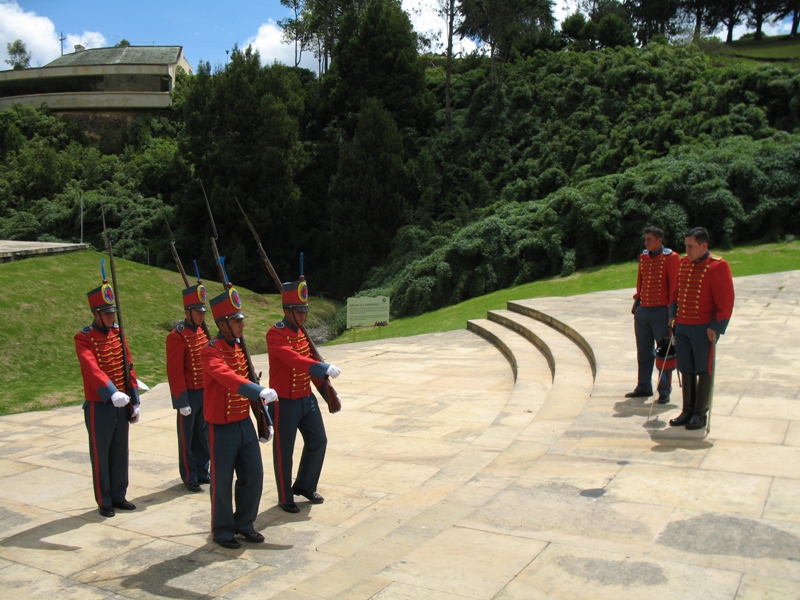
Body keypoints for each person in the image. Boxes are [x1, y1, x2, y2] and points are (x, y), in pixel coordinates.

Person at [201, 286, 278, 549]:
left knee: (254, 474)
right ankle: (222, 530)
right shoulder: (210, 350)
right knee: (222, 481)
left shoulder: (238, 347)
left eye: (241, 320)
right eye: (236, 321)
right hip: (221, 425)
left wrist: (263, 416)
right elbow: (227, 377)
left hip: (243, 421)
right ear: (222, 324)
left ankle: (245, 523)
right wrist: (258, 391)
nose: (241, 326)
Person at [267, 276, 341, 514]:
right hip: (284, 402)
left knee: (318, 441)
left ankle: (305, 485)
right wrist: (322, 367)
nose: (303, 316)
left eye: (304, 311)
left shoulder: (302, 333)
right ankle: (284, 496)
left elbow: (309, 362)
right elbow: (294, 359)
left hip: (305, 398)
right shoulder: (275, 334)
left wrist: (327, 392)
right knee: (284, 451)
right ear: (287, 311)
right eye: (298, 311)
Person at [74, 266, 140, 518]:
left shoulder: (117, 333)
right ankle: (104, 500)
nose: (112, 318)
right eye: (107, 313)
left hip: (121, 403)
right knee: (101, 453)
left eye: (113, 313)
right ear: (96, 314)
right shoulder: (83, 338)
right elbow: (91, 368)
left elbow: (128, 367)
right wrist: (111, 392)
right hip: (100, 405)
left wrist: (135, 400)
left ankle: (119, 495)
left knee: (120, 451)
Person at [669, 227, 735, 431]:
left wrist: (717, 326)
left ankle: (700, 412)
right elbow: (675, 294)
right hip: (683, 326)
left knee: (703, 369)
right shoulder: (683, 264)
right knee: (686, 368)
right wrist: (673, 316)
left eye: (691, 246)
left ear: (703, 245)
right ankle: (687, 409)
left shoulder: (717, 266)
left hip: (703, 329)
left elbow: (726, 301)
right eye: (686, 245)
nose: (686, 250)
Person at [626, 226, 680, 403]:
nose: (646, 242)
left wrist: (673, 313)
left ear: (659, 240)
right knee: (643, 352)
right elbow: (640, 281)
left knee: (664, 353)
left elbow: (674, 287)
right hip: (644, 311)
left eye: (649, 239)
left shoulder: (670, 258)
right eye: (645, 239)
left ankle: (664, 390)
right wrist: (638, 303)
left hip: (661, 312)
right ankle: (643, 386)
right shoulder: (644, 257)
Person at [166, 283, 211, 493]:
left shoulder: (202, 332)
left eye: (203, 312)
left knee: (203, 434)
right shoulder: (177, 336)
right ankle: (189, 475)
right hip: (189, 394)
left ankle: (203, 470)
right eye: (197, 312)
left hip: (204, 391)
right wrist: (181, 401)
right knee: (187, 437)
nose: (201, 316)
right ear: (187, 313)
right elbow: (175, 372)